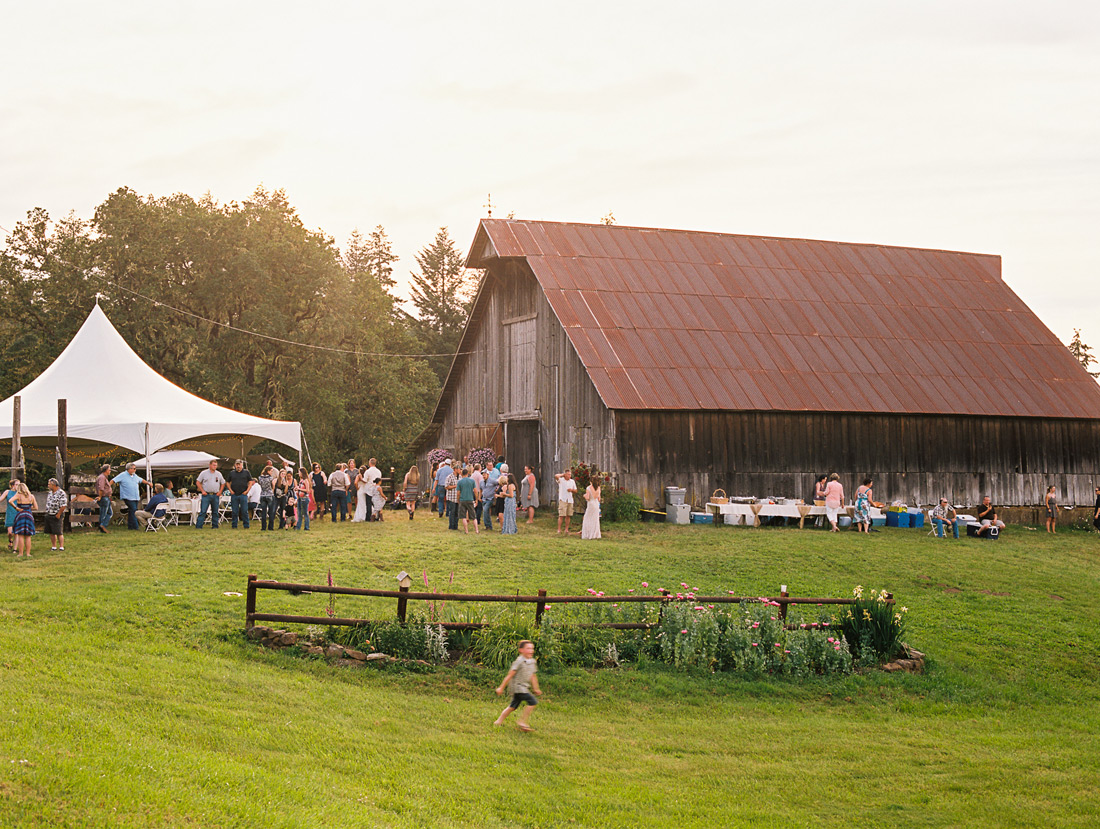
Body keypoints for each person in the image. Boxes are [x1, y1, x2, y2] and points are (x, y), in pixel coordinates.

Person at [492, 640, 541, 732]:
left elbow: (533, 676)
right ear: (521, 650)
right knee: (533, 702)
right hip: (518, 687)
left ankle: (498, 722)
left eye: (532, 648)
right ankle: (522, 721)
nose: (531, 651)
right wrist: (501, 687)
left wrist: (536, 688)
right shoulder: (519, 661)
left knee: (513, 706)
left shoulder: (532, 662)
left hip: (524, 687)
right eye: (528, 648)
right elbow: (510, 675)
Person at [112, 463, 150, 530]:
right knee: (134, 511)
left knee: (131, 511)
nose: (135, 470)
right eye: (134, 468)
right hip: (128, 497)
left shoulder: (135, 476)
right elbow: (113, 480)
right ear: (129, 469)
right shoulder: (123, 475)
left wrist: (148, 483)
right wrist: (107, 487)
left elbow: (141, 480)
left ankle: (130, 526)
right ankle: (135, 527)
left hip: (135, 497)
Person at [195, 460, 226, 530]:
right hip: (206, 495)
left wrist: (220, 491)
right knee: (203, 511)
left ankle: (215, 526)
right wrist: (202, 490)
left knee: (215, 511)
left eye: (216, 465)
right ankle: (199, 526)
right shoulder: (204, 473)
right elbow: (198, 482)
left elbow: (223, 483)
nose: (215, 466)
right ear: (210, 465)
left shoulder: (219, 474)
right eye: (213, 465)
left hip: (215, 495)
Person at [8, 483, 36, 558]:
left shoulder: (18, 495)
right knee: (28, 536)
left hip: (20, 515)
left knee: (20, 535)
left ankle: (20, 553)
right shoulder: (31, 496)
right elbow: (36, 507)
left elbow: (10, 501)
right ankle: (28, 553)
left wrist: (16, 507)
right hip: (29, 515)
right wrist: (28, 508)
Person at [226, 459, 253, 530]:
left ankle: (246, 525)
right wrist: (230, 490)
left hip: (243, 494)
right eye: (237, 464)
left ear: (242, 465)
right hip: (234, 494)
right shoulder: (232, 473)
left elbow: (250, 481)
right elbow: (227, 482)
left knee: (244, 511)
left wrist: (247, 491)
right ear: (235, 465)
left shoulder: (246, 472)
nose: (238, 466)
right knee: (234, 511)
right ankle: (234, 525)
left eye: (239, 464)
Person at [45, 478, 68, 551]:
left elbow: (63, 505)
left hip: (56, 514)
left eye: (49, 484)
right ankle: (54, 546)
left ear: (54, 485)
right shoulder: (50, 493)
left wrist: (59, 514)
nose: (48, 486)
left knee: (58, 531)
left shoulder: (61, 493)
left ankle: (61, 546)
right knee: (51, 532)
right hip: (49, 513)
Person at [456, 467, 480, 535]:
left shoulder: (459, 482)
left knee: (463, 516)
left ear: (461, 474)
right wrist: (476, 499)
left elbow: (458, 493)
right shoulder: (472, 481)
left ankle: (466, 531)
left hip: (463, 500)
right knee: (473, 516)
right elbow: (475, 491)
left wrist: (458, 500)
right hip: (470, 499)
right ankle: (476, 530)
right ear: (468, 473)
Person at [554, 469, 577, 534]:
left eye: (570, 474)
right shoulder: (561, 480)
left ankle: (566, 529)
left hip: (570, 499)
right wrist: (563, 475)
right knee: (561, 515)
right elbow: (556, 476)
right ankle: (559, 529)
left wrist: (571, 490)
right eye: (568, 474)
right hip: (563, 499)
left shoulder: (572, 481)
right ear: (565, 475)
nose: (569, 476)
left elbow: (576, 490)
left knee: (568, 515)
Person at [257, 463, 278, 531]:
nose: (272, 472)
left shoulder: (260, 478)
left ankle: (263, 527)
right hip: (269, 495)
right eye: (271, 471)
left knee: (264, 512)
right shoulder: (271, 478)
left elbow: (261, 485)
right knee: (271, 512)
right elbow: (273, 486)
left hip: (262, 494)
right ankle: (270, 527)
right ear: (268, 471)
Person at [581, 474, 602, 540]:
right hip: (596, 504)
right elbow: (599, 499)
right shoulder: (599, 488)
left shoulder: (588, 488)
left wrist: (584, 495)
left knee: (587, 518)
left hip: (590, 504)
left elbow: (587, 498)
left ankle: (587, 534)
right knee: (595, 519)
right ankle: (595, 534)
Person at [94, 464, 113, 533]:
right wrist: (100, 496)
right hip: (104, 497)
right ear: (106, 470)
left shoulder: (104, 477)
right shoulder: (102, 477)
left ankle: (102, 526)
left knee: (108, 513)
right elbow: (101, 488)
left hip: (106, 497)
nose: (110, 471)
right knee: (104, 513)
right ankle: (102, 525)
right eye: (109, 469)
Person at [481, 465, 500, 531]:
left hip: (490, 498)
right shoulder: (481, 482)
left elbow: (499, 483)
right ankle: (488, 526)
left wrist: (497, 490)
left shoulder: (492, 481)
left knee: (485, 510)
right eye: (483, 475)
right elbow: (481, 489)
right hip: (484, 499)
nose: (483, 476)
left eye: (485, 474)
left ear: (488, 475)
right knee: (486, 512)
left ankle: (488, 525)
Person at [3, 479, 18, 551]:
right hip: (10, 513)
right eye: (17, 484)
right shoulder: (7, 492)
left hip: (18, 513)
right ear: (12, 485)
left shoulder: (19, 492)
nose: (18, 486)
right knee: (10, 532)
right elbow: (1, 499)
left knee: (16, 532)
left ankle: (15, 548)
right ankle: (10, 540)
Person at [444, 464, 460, 530]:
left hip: (458, 498)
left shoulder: (460, 477)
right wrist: (454, 486)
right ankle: (451, 526)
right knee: (452, 512)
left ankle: (456, 526)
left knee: (457, 513)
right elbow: (446, 486)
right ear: (455, 469)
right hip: (451, 498)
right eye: (459, 469)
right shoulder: (449, 477)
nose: (460, 470)